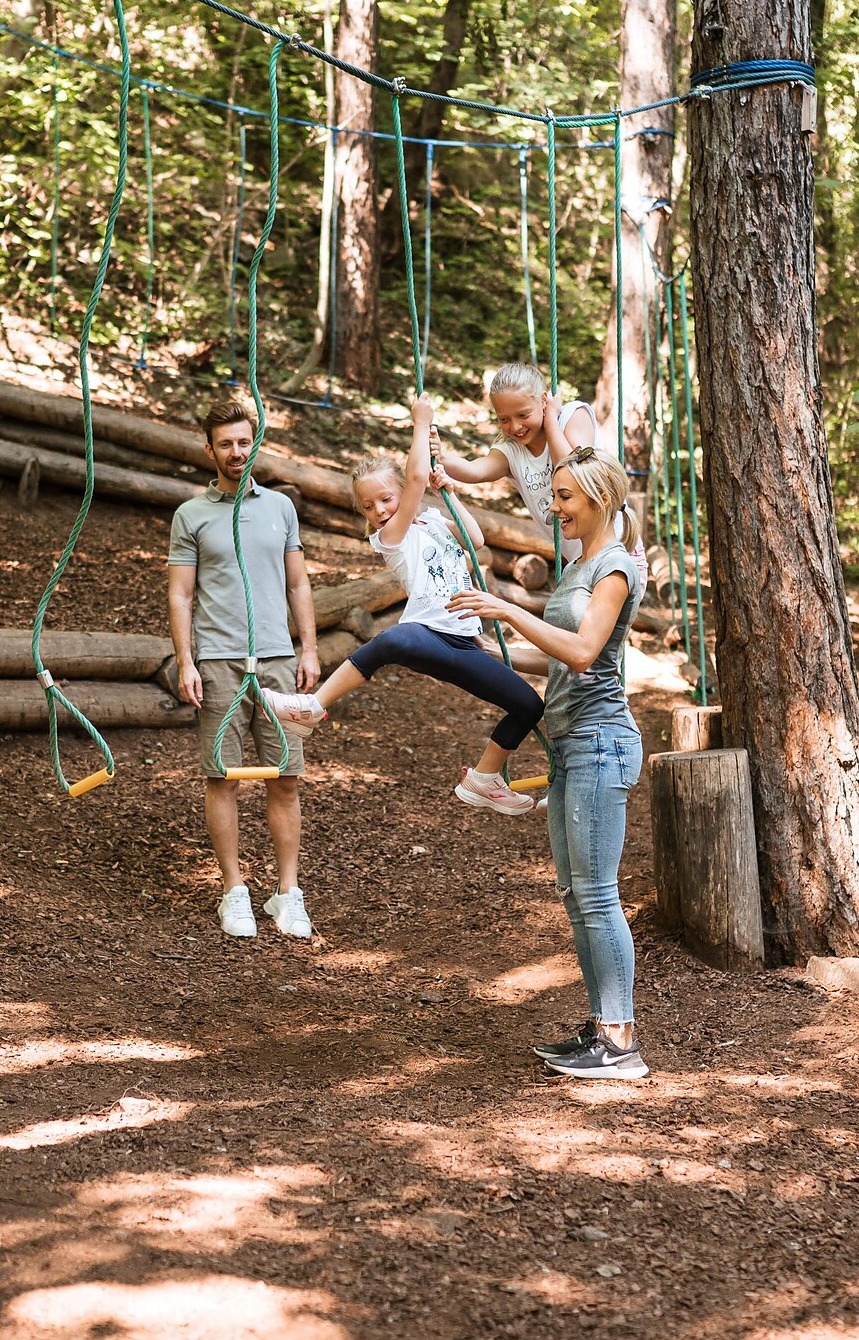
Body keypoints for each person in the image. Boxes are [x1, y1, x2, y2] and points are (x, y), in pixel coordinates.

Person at [447, 449, 650, 1080]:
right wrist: (493, 650)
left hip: (600, 741)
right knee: (575, 892)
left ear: (599, 499)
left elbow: (586, 652)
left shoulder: (613, 567)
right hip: (569, 744)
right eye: (555, 495)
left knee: (597, 894)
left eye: (564, 497)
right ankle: (601, 1027)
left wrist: (510, 609)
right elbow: (559, 658)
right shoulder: (578, 567)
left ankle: (621, 1043)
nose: (554, 507)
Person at [263, 397, 544, 816]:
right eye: (369, 506)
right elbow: (414, 479)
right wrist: (422, 421)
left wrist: (448, 491)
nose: (379, 510)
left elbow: (475, 541)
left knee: (529, 705)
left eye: (386, 500)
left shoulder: (429, 519)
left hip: (465, 641)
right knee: (396, 638)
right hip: (429, 633)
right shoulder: (390, 536)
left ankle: (484, 778)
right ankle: (313, 706)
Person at [167, 397, 320, 939]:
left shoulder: (281, 508)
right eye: (226, 443)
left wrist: (309, 649)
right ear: (209, 450)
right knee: (222, 778)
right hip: (219, 662)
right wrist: (187, 660)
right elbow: (181, 596)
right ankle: (234, 891)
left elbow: (299, 583)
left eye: (244, 441)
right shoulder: (191, 515)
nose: (236, 452)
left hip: (277, 659)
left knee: (285, 778)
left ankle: (287, 893)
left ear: (256, 443)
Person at [432, 362, 646, 579]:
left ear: (544, 400)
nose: (515, 427)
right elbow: (474, 471)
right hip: (580, 563)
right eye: (503, 419)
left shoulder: (572, 417)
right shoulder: (512, 451)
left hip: (619, 552)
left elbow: (573, 471)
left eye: (523, 415)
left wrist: (551, 421)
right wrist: (441, 456)